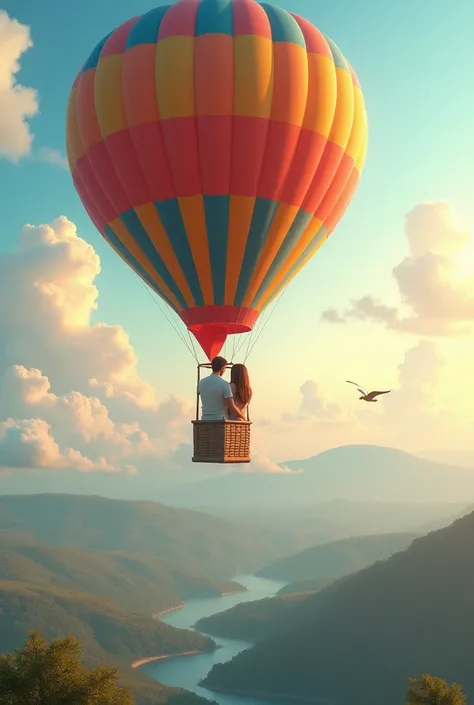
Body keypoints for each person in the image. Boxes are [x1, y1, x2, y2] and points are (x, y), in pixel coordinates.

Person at [198, 356, 246, 421]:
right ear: (222, 368)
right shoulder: (225, 384)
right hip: (220, 420)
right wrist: (243, 417)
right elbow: (232, 407)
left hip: (205, 419)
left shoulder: (201, 382)